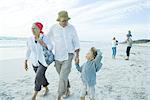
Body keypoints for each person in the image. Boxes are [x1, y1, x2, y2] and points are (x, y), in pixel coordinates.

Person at [47, 10, 80, 100]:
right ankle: (67, 89)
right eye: (63, 20)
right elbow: (47, 39)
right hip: (58, 56)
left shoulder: (71, 28)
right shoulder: (53, 28)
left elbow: (76, 41)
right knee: (63, 75)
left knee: (62, 76)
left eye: (66, 20)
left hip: (69, 55)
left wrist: (77, 56)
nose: (65, 22)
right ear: (59, 20)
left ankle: (59, 95)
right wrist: (47, 47)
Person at [24, 22, 53, 100]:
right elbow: (28, 50)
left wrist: (43, 43)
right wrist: (26, 61)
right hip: (34, 61)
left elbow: (51, 47)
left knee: (38, 76)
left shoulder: (44, 37)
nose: (32, 29)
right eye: (32, 28)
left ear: (39, 29)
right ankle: (46, 88)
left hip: (43, 61)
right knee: (41, 76)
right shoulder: (30, 39)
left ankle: (34, 96)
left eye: (35, 28)